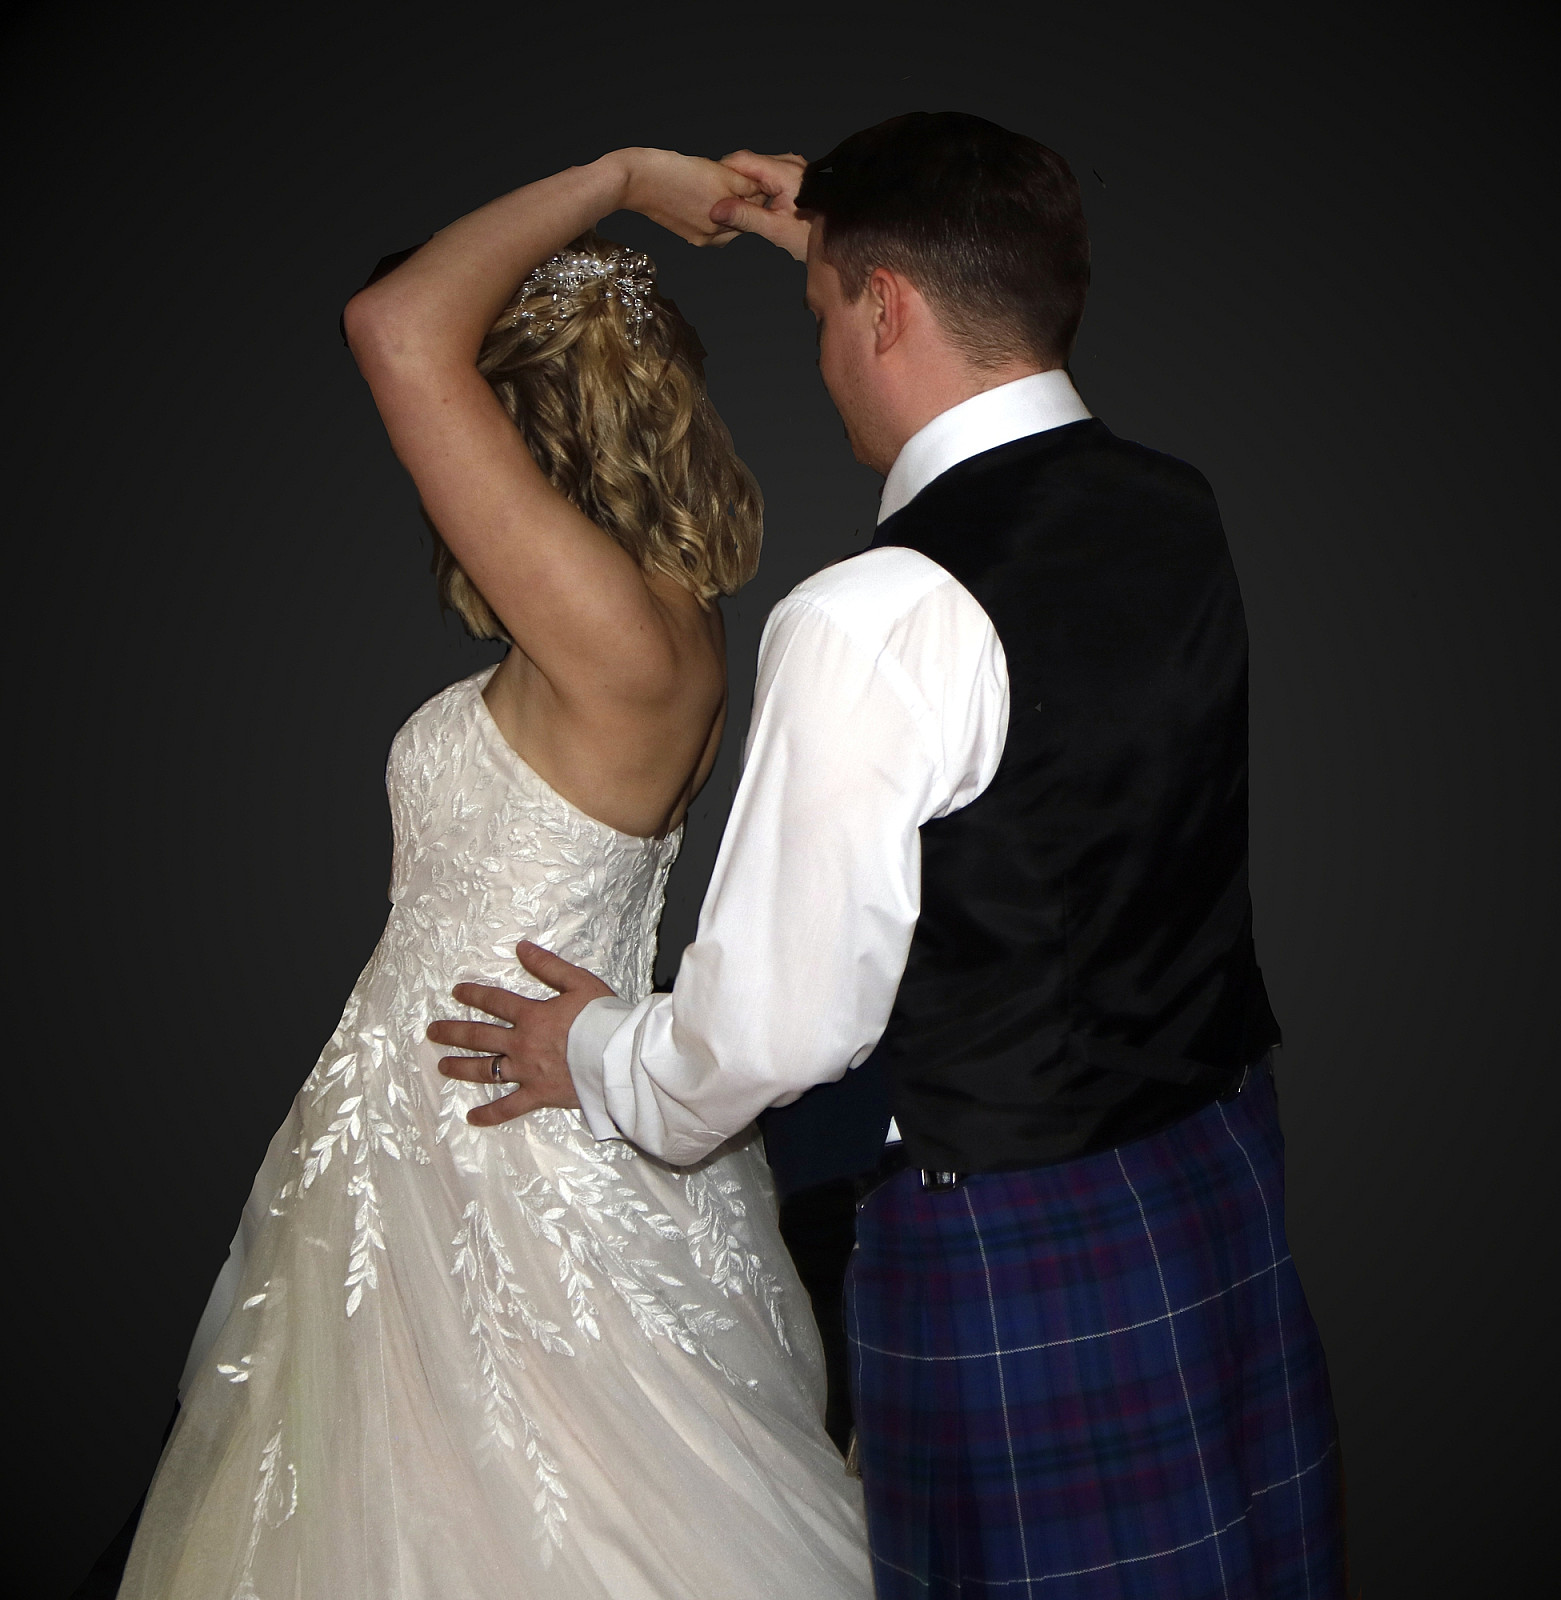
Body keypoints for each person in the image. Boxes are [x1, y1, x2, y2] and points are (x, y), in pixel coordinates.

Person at [441, 114, 1347, 1598]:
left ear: (885, 308)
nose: (822, 355)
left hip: (1013, 1241)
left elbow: (772, 1035)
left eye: (824, 311)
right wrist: (855, 234)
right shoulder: (1176, 502)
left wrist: (595, 1049)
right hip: (1217, 1175)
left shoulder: (869, 616)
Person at [116, 148, 872, 1600]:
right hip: (434, 1152)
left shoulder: (615, 634)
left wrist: (625, 174)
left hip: (490, 1174)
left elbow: (396, 326)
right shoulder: (658, 617)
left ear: (514, 415)